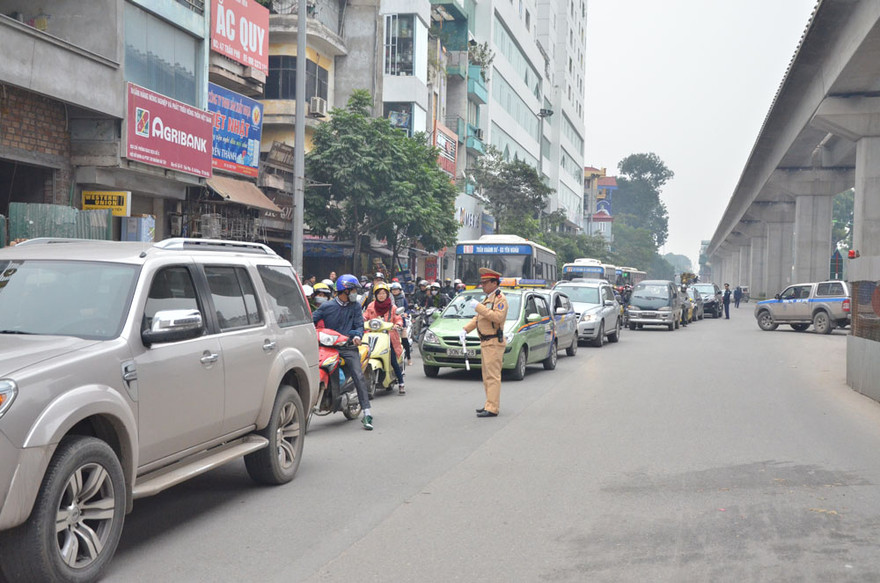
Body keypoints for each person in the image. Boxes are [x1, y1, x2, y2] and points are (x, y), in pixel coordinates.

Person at [312, 274, 374, 430]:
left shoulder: (356, 307)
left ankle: (367, 412)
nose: (355, 293)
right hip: (328, 347)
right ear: (345, 291)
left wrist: (357, 336)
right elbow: (311, 321)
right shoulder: (327, 306)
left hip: (348, 347)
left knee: (358, 376)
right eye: (353, 290)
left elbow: (359, 325)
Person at [461, 268, 508, 417]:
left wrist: (479, 307)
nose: (483, 285)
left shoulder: (500, 299)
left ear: (494, 283)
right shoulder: (488, 298)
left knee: (492, 376)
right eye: (482, 283)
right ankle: (489, 403)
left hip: (493, 341)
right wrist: (465, 329)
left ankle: (492, 407)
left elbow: (498, 317)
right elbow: (479, 318)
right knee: (486, 376)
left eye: (486, 283)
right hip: (486, 342)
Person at [364, 283, 406, 395]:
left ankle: (401, 382)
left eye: (383, 293)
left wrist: (397, 324)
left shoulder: (392, 307)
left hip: (389, 336)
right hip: (372, 335)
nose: (381, 296)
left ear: (387, 294)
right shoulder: (371, 306)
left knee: (393, 360)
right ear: (375, 295)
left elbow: (398, 318)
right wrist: (361, 320)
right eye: (379, 294)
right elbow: (365, 316)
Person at [390, 282, 413, 365]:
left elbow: (407, 309)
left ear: (400, 290)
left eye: (396, 289)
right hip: (390, 323)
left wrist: (406, 313)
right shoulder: (389, 299)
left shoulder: (403, 299)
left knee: (404, 340)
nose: (395, 291)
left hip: (401, 322)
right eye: (393, 290)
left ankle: (409, 358)